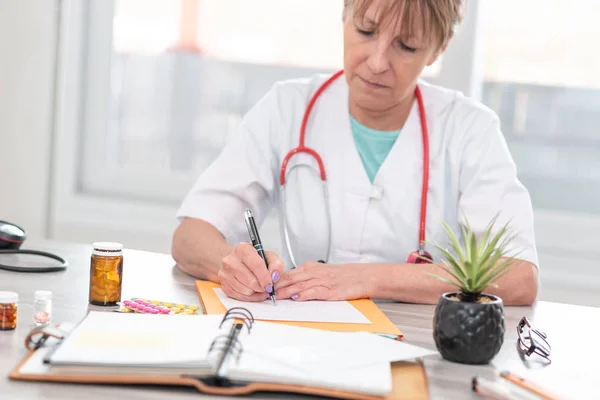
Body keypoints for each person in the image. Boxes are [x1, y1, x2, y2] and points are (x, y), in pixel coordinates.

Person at [172, 0, 539, 306]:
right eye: (365, 31)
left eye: (406, 46)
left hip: (417, 347)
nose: (378, 62)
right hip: (302, 338)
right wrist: (232, 266)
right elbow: (190, 235)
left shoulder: (470, 129)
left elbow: (519, 276)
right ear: (345, 16)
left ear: (438, 49)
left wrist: (367, 278)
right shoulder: (287, 107)